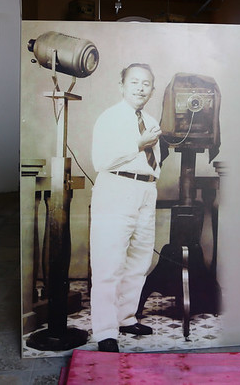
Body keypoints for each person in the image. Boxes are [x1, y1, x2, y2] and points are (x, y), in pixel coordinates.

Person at [89, 63, 162, 353]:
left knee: (139, 260)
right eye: (134, 82)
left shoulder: (151, 119)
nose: (140, 88)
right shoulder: (109, 118)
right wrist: (137, 143)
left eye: (146, 83)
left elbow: (154, 160)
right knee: (109, 263)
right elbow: (101, 162)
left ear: (153, 90)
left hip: (146, 190)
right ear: (121, 85)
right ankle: (106, 331)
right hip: (117, 188)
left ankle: (126, 317)